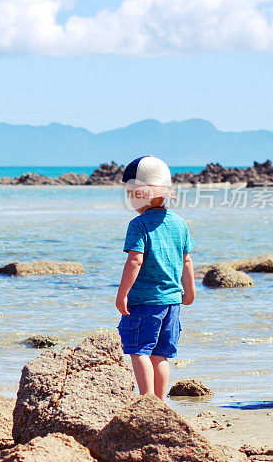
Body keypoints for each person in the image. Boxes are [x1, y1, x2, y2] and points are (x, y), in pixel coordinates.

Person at [115, 155, 195, 401]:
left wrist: (122, 294)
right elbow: (186, 260)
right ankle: (160, 403)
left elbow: (135, 261)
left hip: (144, 302)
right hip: (172, 302)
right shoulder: (179, 223)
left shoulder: (138, 225)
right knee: (160, 355)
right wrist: (189, 292)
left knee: (139, 350)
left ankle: (146, 401)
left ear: (139, 193)